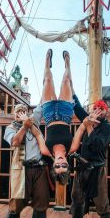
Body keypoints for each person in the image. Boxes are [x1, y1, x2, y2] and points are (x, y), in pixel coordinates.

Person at [61, 98, 110, 218]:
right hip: (82, 169)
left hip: (96, 171)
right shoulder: (89, 119)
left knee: (102, 205)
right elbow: (78, 109)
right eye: (95, 109)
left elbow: (97, 146)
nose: (98, 112)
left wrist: (88, 126)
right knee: (76, 197)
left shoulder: (107, 128)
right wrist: (72, 94)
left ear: (106, 112)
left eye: (101, 109)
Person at [0, 103, 51, 218]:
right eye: (18, 112)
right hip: (22, 169)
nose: (20, 113)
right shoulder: (10, 128)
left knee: (42, 199)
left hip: (39, 168)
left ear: (27, 113)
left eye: (23, 111)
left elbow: (41, 105)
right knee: (16, 201)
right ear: (14, 115)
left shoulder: (33, 121)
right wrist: (24, 126)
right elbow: (15, 142)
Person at [26, 49, 76, 185]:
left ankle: (47, 62)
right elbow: (82, 129)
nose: (60, 163)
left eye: (57, 166)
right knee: (66, 81)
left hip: (48, 114)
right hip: (65, 114)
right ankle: (67, 64)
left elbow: (37, 134)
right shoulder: (72, 148)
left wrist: (27, 123)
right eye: (64, 166)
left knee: (47, 81)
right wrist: (88, 121)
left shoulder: (45, 150)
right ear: (67, 164)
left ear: (53, 165)